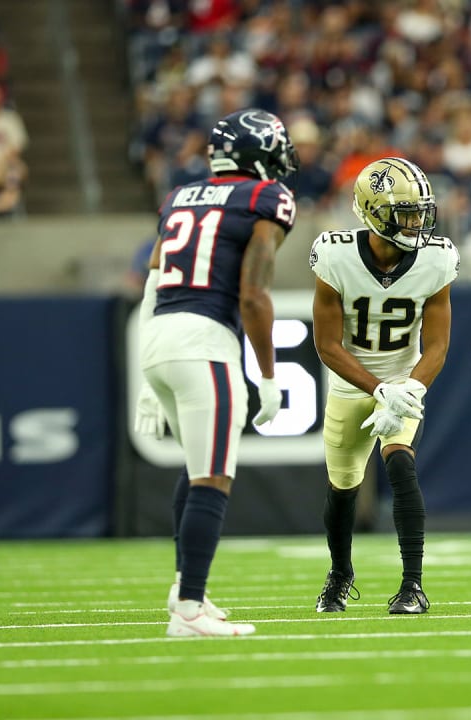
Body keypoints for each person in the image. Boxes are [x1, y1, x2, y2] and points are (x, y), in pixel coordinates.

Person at [133, 108, 299, 637]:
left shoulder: (178, 196)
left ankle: (186, 587)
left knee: (195, 465)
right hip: (204, 341)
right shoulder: (264, 199)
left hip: (159, 335)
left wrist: (143, 379)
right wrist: (269, 377)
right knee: (213, 475)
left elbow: (153, 283)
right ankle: (189, 608)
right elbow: (253, 295)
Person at [309, 156, 459, 615]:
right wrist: (378, 389)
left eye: (420, 212)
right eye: (406, 213)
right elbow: (328, 346)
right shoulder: (334, 255)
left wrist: (408, 389)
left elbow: (436, 345)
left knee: (400, 465)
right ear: (373, 213)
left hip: (403, 380)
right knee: (344, 485)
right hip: (352, 385)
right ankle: (339, 576)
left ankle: (412, 585)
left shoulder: (436, 258)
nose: (417, 222)